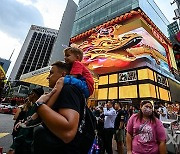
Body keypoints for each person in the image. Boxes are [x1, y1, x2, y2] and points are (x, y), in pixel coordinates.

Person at [32, 61, 86, 154]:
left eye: (51, 73)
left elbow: (68, 132)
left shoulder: (68, 89)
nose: (48, 77)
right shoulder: (62, 91)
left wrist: (39, 105)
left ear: (63, 74)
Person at [7, 88, 44, 154]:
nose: (28, 95)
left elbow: (26, 129)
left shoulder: (37, 108)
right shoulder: (32, 108)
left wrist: (14, 146)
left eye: (29, 94)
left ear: (33, 95)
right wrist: (22, 121)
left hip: (26, 144)